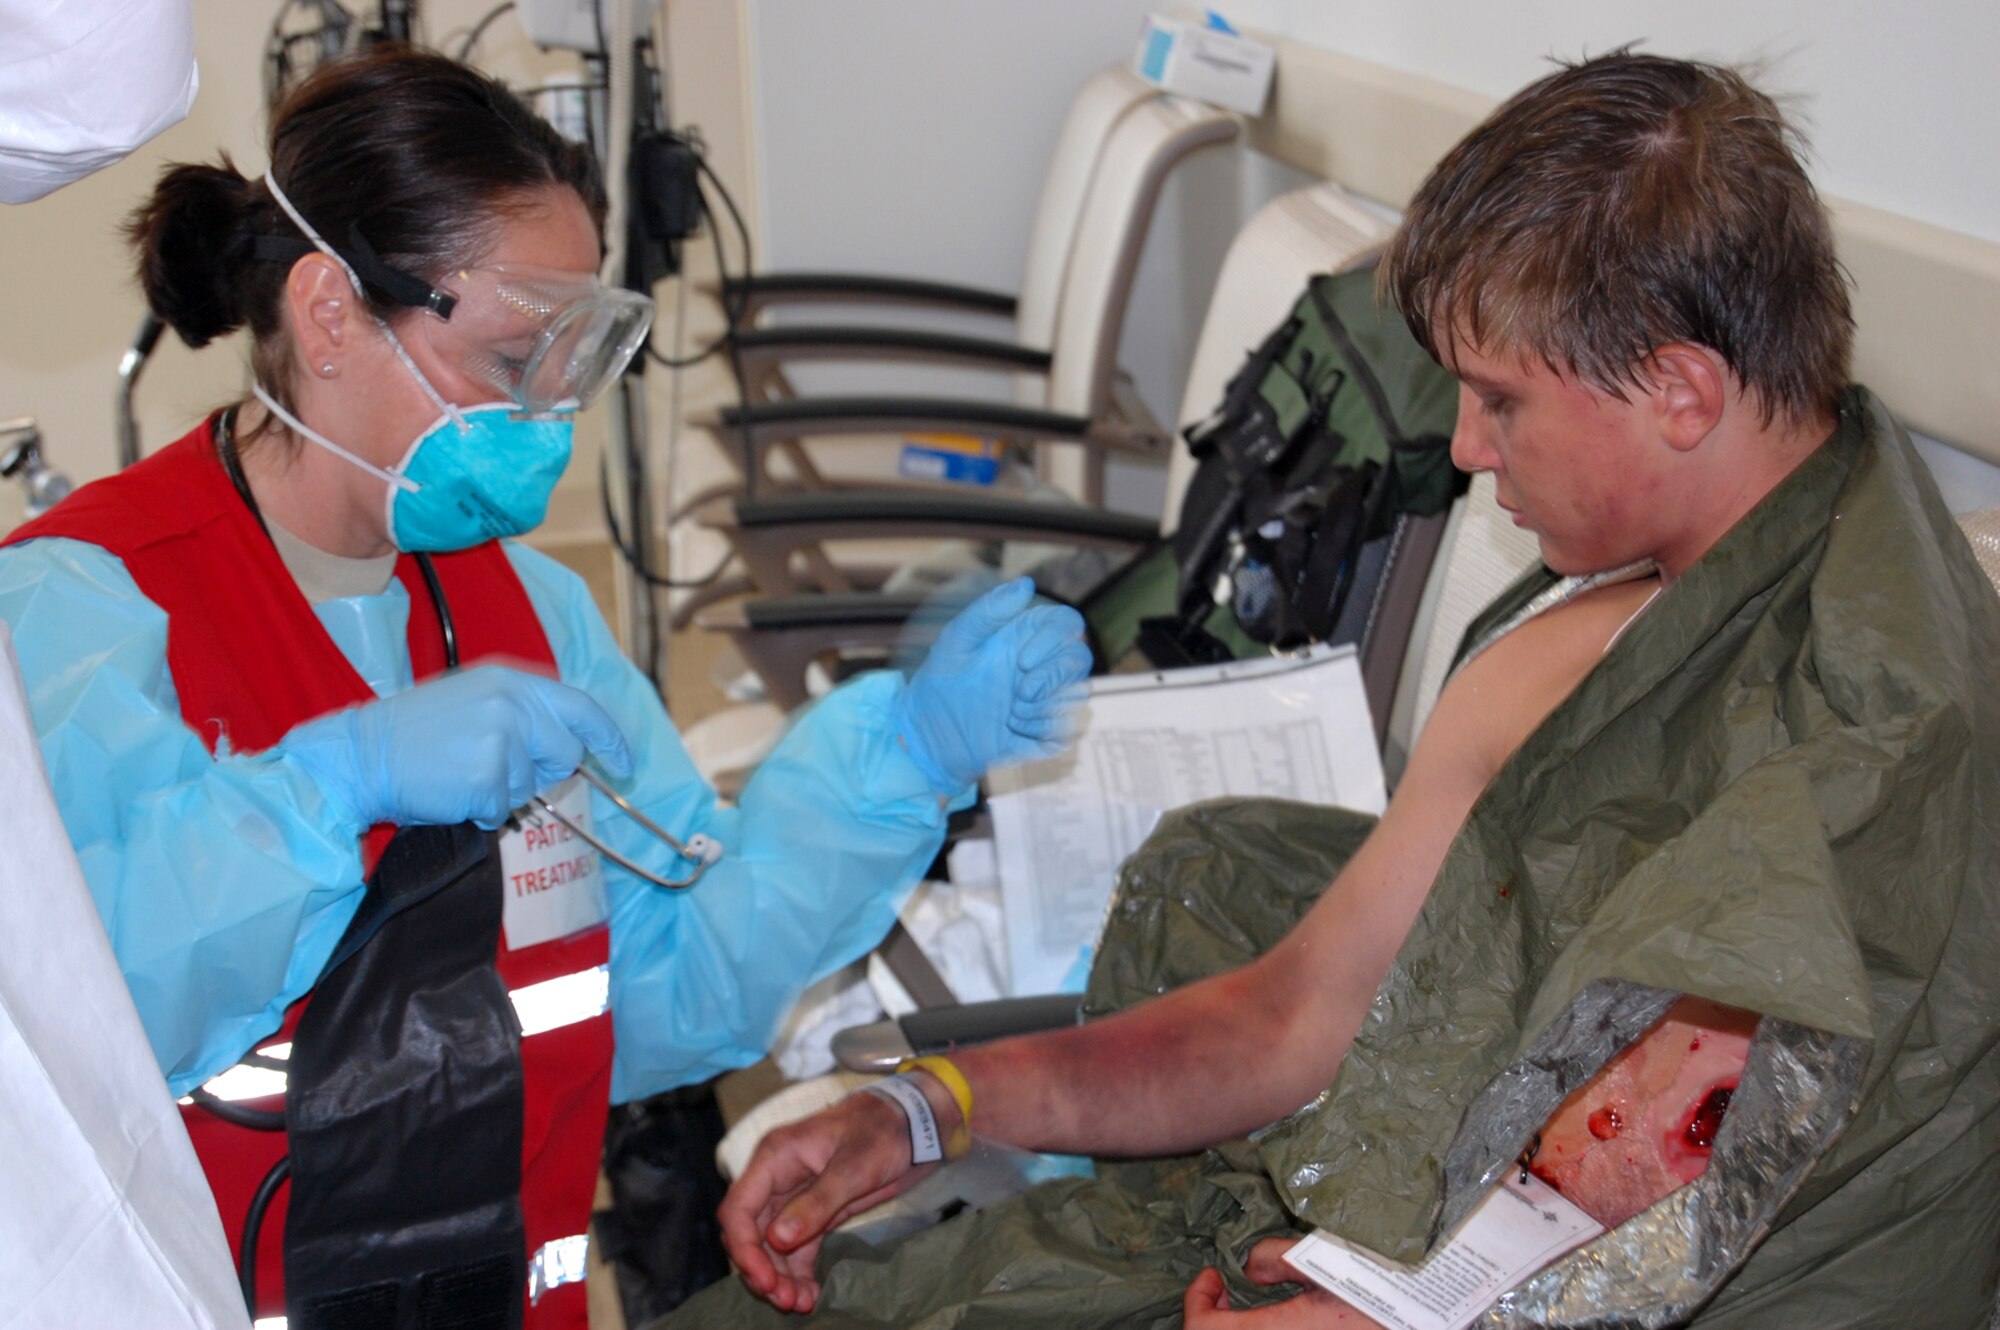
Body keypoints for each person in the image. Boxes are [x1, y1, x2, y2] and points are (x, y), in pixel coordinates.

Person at [684, 50, 2000, 1330]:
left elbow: (1677, 1208)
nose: (1466, 448)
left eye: (1500, 400)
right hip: (1365, 1234)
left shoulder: (1860, 761)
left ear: (1678, 390)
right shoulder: (1628, 606)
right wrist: (932, 1105)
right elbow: (1299, 1008)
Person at [0, 47, 1088, 1330]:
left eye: (575, 357)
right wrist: (327, 790)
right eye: (517, 352)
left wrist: (897, 758)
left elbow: (665, 990)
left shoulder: (528, 615)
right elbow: (70, 1033)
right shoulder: (83, 605)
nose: (550, 415)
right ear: (330, 311)